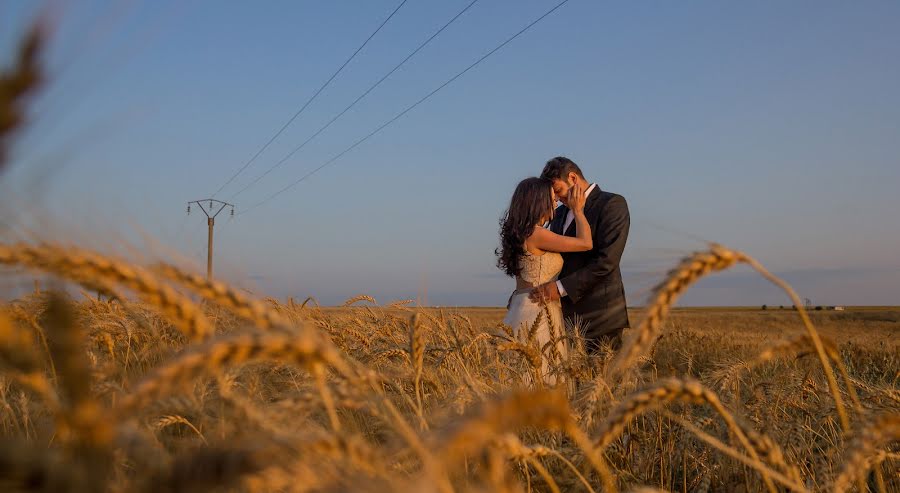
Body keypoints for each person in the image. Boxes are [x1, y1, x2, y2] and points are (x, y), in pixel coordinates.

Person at [529, 156, 631, 354]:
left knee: (605, 382)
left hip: (602, 315)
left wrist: (559, 289)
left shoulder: (612, 204)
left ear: (573, 178)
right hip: (562, 317)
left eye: (558, 191)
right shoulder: (558, 215)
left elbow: (607, 261)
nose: (556, 199)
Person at [497, 176, 592, 384]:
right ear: (538, 201)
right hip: (538, 310)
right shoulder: (536, 233)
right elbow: (586, 243)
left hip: (523, 304)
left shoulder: (522, 233)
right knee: (541, 377)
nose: (556, 202)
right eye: (552, 198)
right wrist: (577, 210)